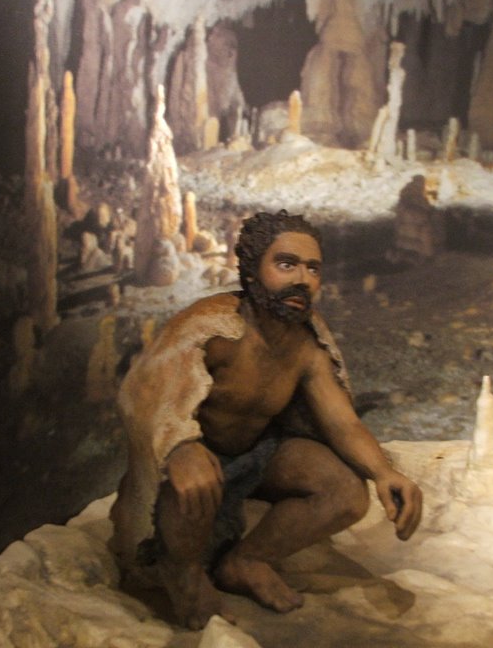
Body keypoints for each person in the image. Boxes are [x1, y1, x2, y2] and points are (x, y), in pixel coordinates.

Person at [109, 209, 423, 629]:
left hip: (257, 454)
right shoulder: (213, 328)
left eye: (313, 268)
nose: (302, 279)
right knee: (192, 482)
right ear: (252, 272)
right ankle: (183, 573)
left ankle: (246, 560)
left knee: (347, 493)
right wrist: (181, 446)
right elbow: (146, 391)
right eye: (286, 264)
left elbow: (342, 422)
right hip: (195, 463)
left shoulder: (306, 343)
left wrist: (384, 472)